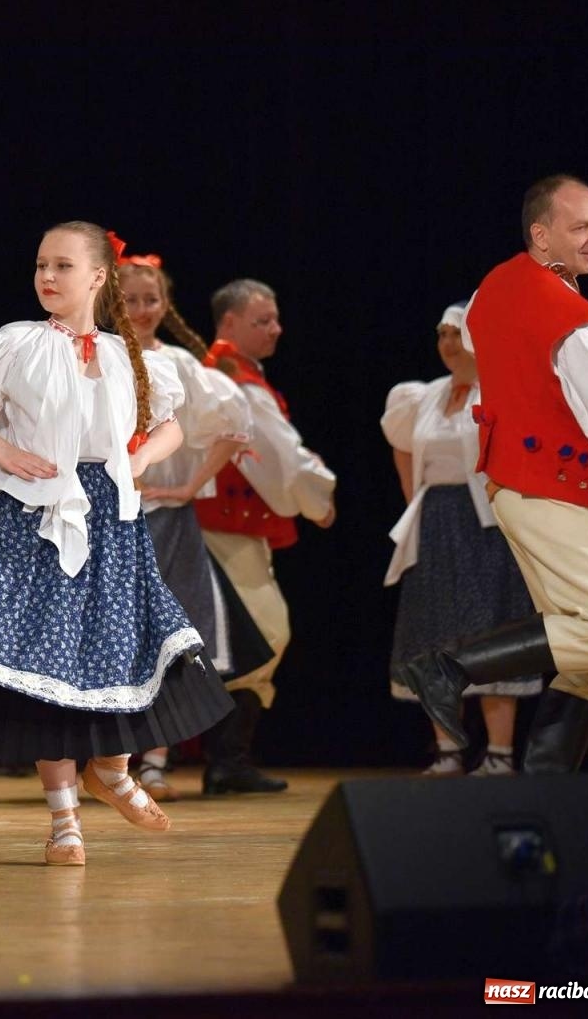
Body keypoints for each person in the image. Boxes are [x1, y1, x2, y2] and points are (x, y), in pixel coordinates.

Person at [0, 222, 233, 866]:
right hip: (33, 512)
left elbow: (172, 426)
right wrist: (0, 447)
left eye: (63, 266)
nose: (47, 276)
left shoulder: (130, 357)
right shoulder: (17, 344)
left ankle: (116, 770)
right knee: (45, 662)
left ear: (98, 277)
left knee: (116, 645)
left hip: (112, 516)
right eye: (42, 264)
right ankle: (64, 820)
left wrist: (142, 458)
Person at [398, 175, 588, 773]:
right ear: (541, 235)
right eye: (580, 227)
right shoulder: (574, 323)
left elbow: (503, 364)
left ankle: (542, 784)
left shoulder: (494, 290)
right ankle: (448, 666)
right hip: (547, 490)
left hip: (516, 485)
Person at [115, 255, 266, 802]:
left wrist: (189, 486)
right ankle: (106, 760)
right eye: (129, 300)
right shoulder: (93, 354)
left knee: (166, 640)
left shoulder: (177, 363)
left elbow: (234, 425)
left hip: (165, 520)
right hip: (107, 517)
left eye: (151, 299)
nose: (141, 310)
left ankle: (153, 760)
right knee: (111, 639)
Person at [192, 279, 336, 794]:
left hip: (227, 526)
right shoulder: (236, 380)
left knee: (255, 637)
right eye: (262, 320)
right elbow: (279, 455)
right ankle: (217, 758)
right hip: (220, 526)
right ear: (228, 324)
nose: (276, 329)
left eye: (275, 319)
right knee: (264, 632)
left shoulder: (234, 374)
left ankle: (226, 758)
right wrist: (318, 498)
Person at [381, 304, 538, 776]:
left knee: (489, 632)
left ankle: (499, 754)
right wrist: (417, 503)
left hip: (485, 527)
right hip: (435, 524)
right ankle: (448, 751)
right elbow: (402, 445)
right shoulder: (422, 396)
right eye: (442, 334)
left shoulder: (504, 392)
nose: (448, 343)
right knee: (435, 636)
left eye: (457, 333)